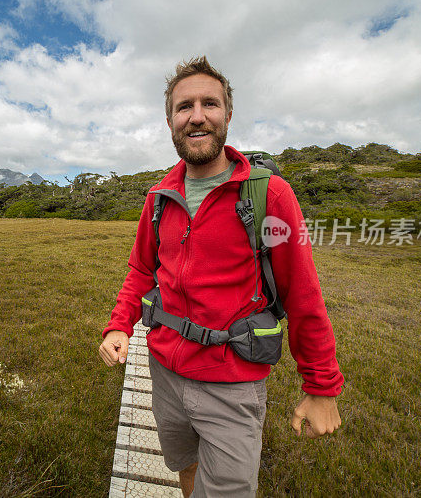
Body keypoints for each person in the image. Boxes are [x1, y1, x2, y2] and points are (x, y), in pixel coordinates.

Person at [99, 56, 343, 497]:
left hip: (232, 383)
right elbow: (141, 269)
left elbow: (303, 295)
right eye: (183, 106)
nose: (196, 116)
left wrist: (321, 386)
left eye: (209, 103)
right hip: (165, 372)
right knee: (185, 465)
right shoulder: (159, 198)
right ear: (170, 121)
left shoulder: (270, 194)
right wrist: (119, 324)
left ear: (228, 115)